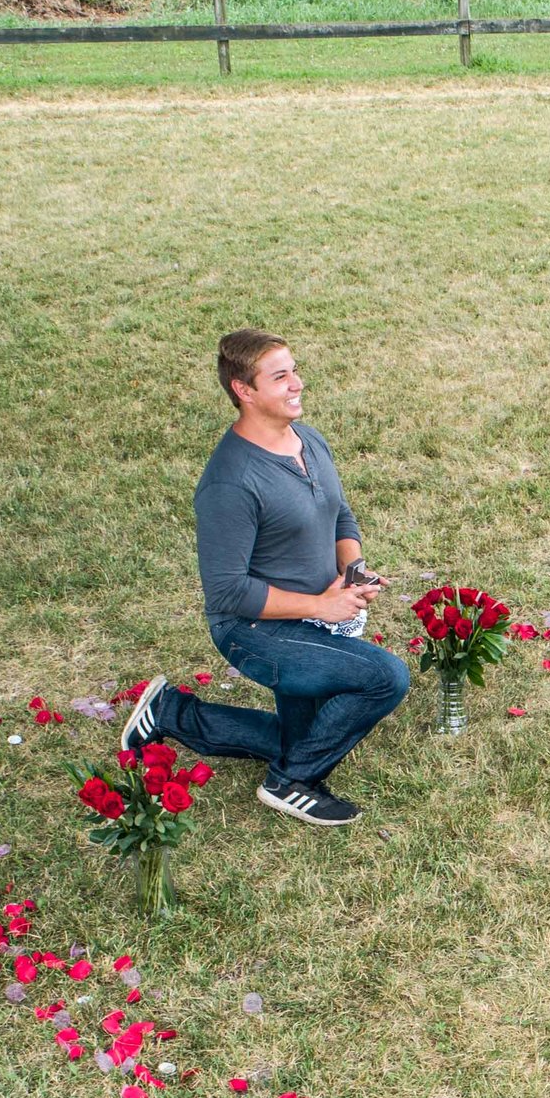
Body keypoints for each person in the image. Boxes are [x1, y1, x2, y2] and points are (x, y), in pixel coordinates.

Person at [120, 329, 410, 826]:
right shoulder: (230, 482)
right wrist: (321, 606)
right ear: (244, 390)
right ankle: (291, 781)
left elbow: (339, 513)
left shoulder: (308, 439)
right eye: (280, 376)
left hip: (315, 612)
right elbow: (228, 590)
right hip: (257, 631)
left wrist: (350, 571)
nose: (297, 383)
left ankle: (168, 714)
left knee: (304, 734)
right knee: (385, 678)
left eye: (295, 369)